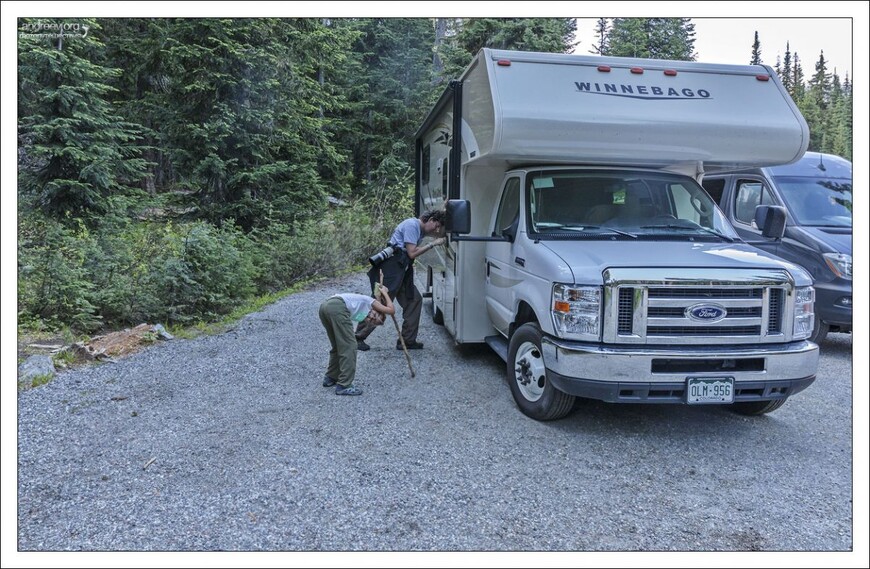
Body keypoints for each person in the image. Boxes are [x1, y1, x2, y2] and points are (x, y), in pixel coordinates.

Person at [356, 209, 446, 352]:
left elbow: (440, 212)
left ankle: (407, 341)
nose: (437, 230)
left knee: (414, 300)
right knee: (380, 302)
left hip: (403, 268)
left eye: (439, 228)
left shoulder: (421, 230)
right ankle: (357, 338)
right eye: (437, 226)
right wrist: (433, 244)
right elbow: (412, 253)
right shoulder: (412, 225)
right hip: (392, 267)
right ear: (430, 220)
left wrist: (447, 205)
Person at [319, 285, 394, 396]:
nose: (371, 318)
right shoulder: (370, 302)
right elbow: (391, 310)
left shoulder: (363, 312)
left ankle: (331, 377)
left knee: (338, 345)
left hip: (325, 306)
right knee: (350, 346)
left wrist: (380, 294)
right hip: (336, 307)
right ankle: (344, 385)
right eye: (375, 316)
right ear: (376, 310)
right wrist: (385, 292)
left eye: (372, 321)